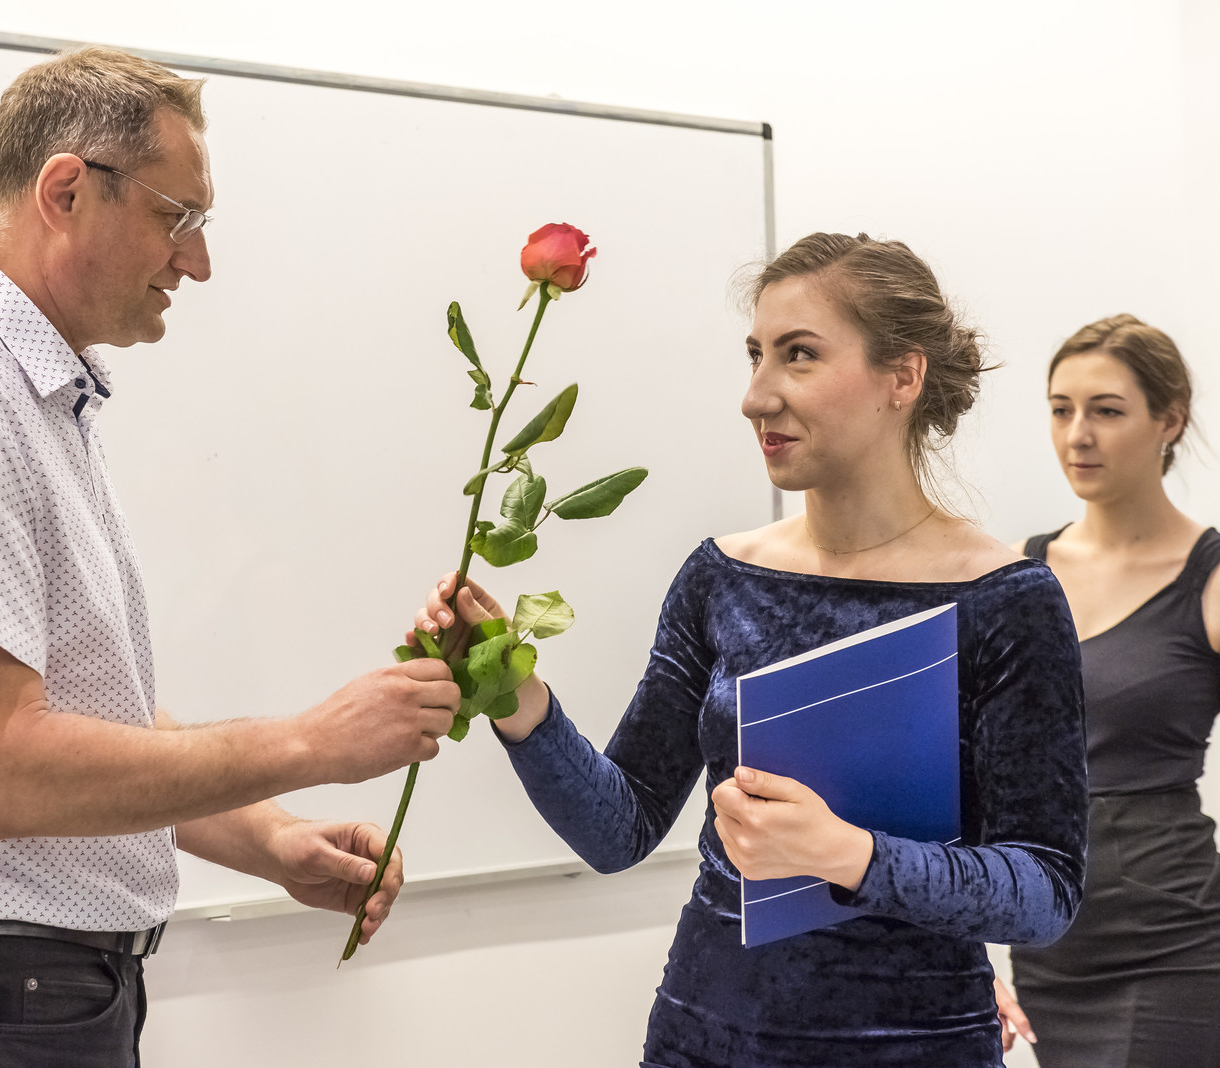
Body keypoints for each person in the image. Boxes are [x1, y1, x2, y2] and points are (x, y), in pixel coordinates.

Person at [0, 47, 459, 1067]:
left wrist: (267, 838)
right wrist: (312, 742)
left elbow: (78, 716)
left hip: (0, 995)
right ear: (65, 191)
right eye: (178, 217)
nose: (197, 262)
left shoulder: (16, 395)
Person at [414, 232, 1090, 1067]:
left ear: (903, 377)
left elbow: (1045, 891)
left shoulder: (1005, 600)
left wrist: (846, 854)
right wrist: (514, 694)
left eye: (798, 355)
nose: (755, 396)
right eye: (755, 355)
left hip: (914, 1047)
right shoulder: (720, 577)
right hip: (704, 1037)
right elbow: (620, 830)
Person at [999, 315, 1220, 1068]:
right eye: (1061, 409)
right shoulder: (1016, 576)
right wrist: (966, 955)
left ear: (1170, 420)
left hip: (1176, 948)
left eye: (1106, 410)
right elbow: (967, 783)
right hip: (1049, 955)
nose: (1077, 435)